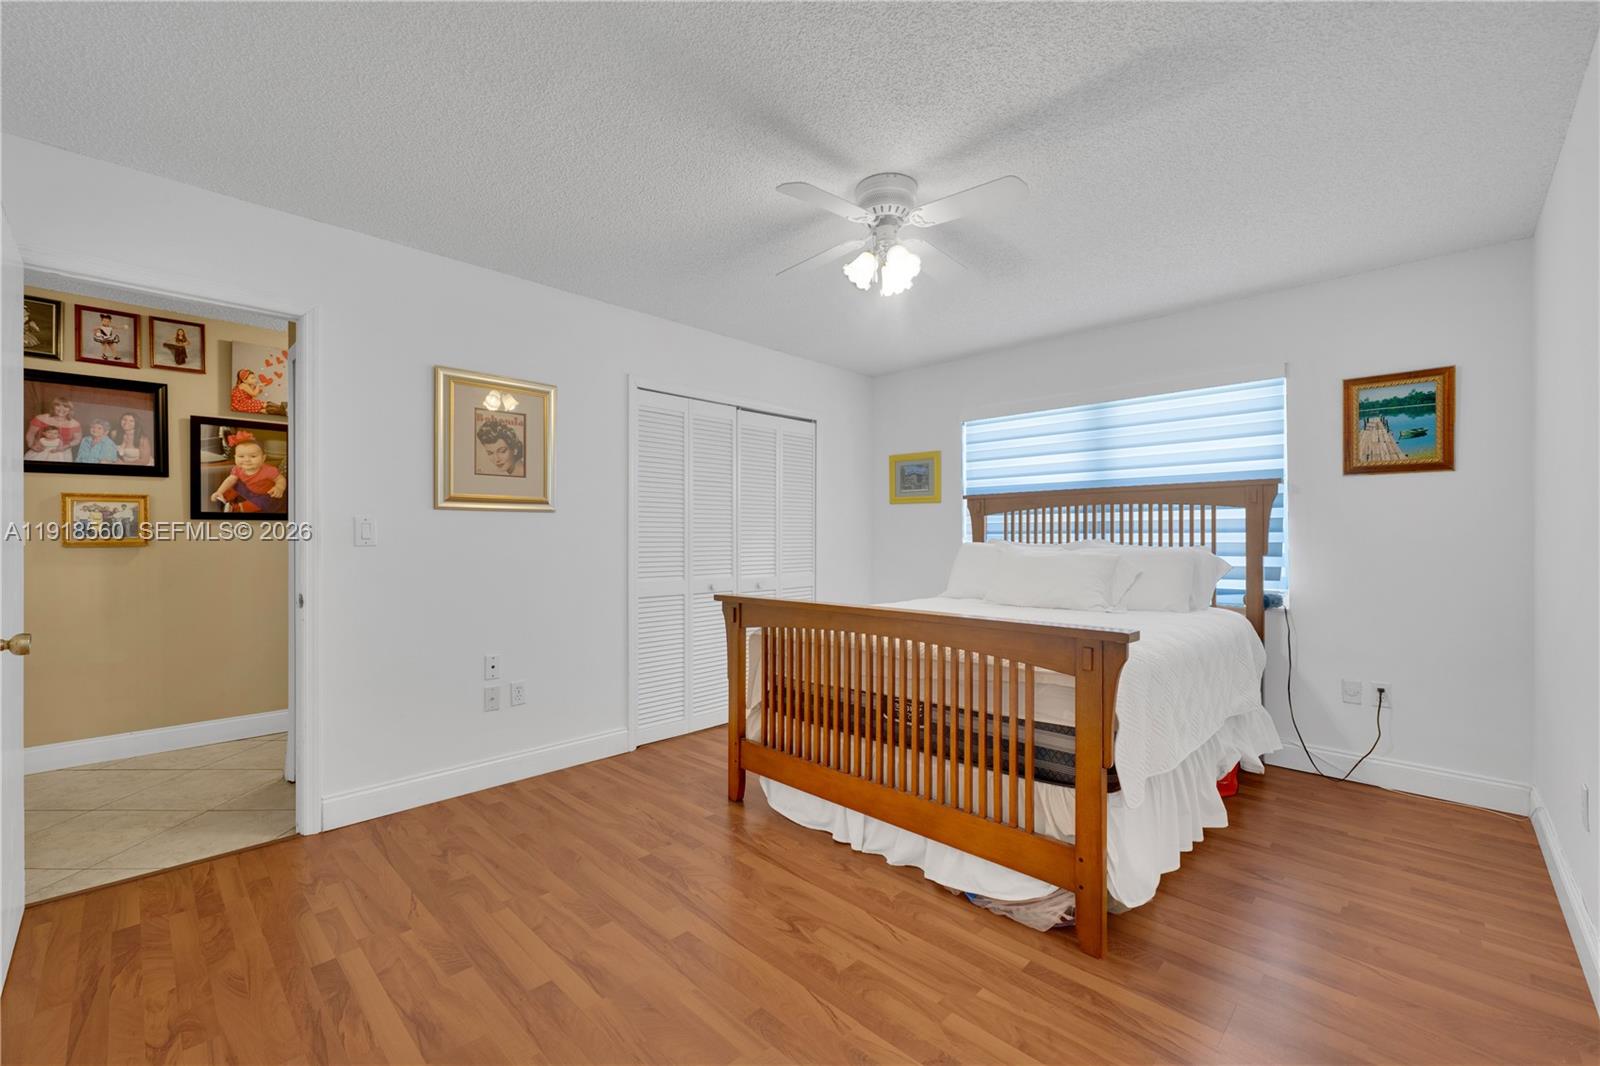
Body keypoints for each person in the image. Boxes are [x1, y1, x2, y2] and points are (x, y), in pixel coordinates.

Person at [210, 430, 286, 513]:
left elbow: (280, 479)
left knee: (263, 502)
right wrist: (220, 491)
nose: (246, 460)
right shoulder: (237, 469)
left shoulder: (268, 470)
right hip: (248, 490)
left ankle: (236, 508)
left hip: (265, 494)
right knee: (234, 484)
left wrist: (279, 487)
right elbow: (230, 480)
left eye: (253, 456)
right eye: (241, 456)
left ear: (263, 458)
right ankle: (222, 498)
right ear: (235, 457)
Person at [25, 396, 79, 461]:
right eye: (58, 405)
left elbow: (77, 439)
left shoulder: (75, 423)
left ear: (70, 409)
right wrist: (31, 445)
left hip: (63, 451)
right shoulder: (40, 418)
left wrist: (65, 447)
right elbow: (31, 433)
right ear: (53, 407)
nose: (61, 409)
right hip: (40, 450)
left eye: (65, 406)